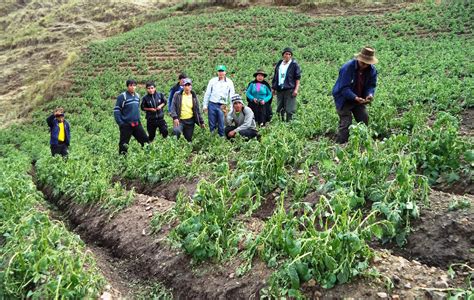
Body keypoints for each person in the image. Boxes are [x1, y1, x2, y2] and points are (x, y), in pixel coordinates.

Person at [332, 46, 378, 144]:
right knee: (346, 123)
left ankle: (362, 143)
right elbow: (344, 88)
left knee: (364, 118)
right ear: (359, 59)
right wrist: (355, 97)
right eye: (363, 63)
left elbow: (371, 85)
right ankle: (340, 145)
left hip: (359, 98)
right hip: (343, 98)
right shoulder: (347, 68)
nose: (364, 65)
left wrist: (369, 94)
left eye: (367, 64)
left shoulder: (372, 70)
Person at [114, 79, 149, 154]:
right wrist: (121, 123)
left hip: (136, 123)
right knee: (124, 145)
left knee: (145, 141)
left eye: (134, 85)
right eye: (131, 85)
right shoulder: (123, 96)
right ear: (127, 86)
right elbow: (116, 110)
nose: (133, 87)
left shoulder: (137, 96)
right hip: (126, 125)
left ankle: (147, 157)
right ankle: (122, 162)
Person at [203, 65, 235, 136]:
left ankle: (221, 140)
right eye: (219, 71)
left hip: (222, 106)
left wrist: (232, 108)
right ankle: (213, 139)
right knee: (212, 124)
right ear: (217, 72)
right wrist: (205, 105)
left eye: (222, 71)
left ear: (225, 72)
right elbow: (207, 93)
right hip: (212, 104)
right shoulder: (212, 81)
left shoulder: (229, 82)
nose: (221, 73)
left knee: (221, 124)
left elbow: (232, 96)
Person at [271, 47, 301, 122]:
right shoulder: (279, 64)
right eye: (286, 54)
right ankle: (281, 123)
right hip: (280, 88)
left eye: (289, 54)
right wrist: (274, 88)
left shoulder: (294, 65)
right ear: (283, 55)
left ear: (291, 56)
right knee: (279, 107)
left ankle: (289, 124)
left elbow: (297, 78)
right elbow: (275, 76)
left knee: (289, 108)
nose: (287, 55)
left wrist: (296, 89)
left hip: (289, 89)